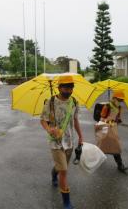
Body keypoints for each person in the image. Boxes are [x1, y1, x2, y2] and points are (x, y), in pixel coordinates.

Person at [40, 75, 83, 209]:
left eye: (70, 87)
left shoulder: (74, 102)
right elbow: (42, 119)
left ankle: (54, 173)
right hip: (55, 142)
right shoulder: (50, 102)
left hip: (69, 141)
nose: (68, 90)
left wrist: (81, 136)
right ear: (59, 88)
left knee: (61, 168)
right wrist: (49, 129)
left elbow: (75, 120)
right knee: (64, 171)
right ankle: (66, 202)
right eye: (65, 87)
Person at [95, 91, 128, 172]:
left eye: (121, 100)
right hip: (105, 128)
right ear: (114, 98)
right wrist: (108, 119)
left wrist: (118, 120)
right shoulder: (107, 106)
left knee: (115, 146)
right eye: (119, 99)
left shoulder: (119, 108)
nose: (120, 101)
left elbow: (118, 118)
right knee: (102, 145)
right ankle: (98, 159)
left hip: (113, 128)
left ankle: (120, 165)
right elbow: (102, 116)